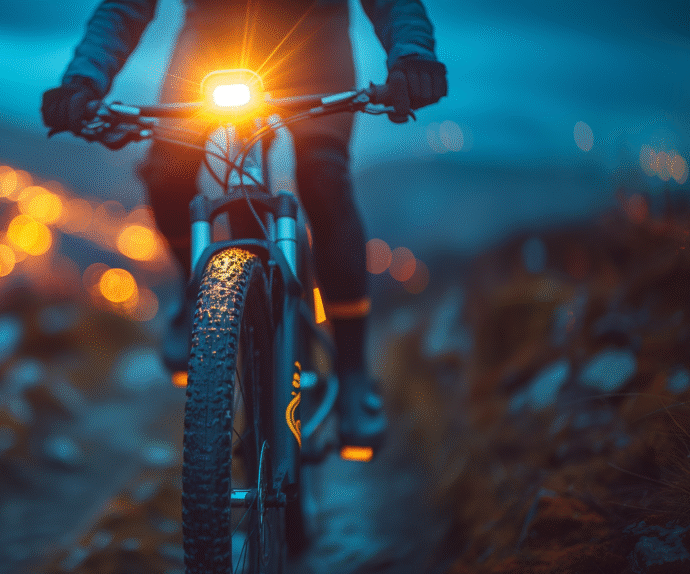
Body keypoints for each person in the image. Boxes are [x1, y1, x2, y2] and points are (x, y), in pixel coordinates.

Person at [42, 0, 447, 452]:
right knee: (167, 173)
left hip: (314, 41)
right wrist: (83, 80)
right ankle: (195, 293)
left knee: (324, 180)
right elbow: (125, 7)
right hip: (211, 47)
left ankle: (352, 374)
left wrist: (412, 55)